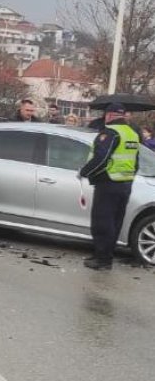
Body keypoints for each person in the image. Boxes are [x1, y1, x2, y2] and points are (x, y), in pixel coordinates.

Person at [78, 102, 140, 270]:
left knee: (101, 222)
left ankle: (102, 260)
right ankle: (105, 256)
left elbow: (101, 158)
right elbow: (136, 162)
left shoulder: (110, 132)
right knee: (115, 222)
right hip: (125, 184)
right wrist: (129, 178)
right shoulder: (132, 133)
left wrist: (84, 172)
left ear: (110, 115)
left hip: (108, 183)